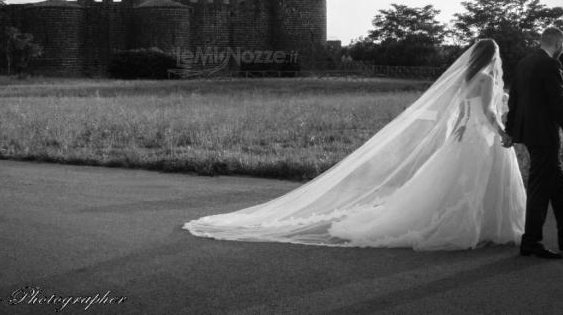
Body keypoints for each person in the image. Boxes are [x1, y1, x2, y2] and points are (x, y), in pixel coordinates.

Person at [183, 39, 526, 250]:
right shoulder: (483, 79)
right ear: (491, 58)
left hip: (464, 137)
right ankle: (476, 228)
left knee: (455, 185)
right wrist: (503, 133)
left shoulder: (467, 78)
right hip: (480, 138)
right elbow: (486, 113)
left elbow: (461, 113)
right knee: (470, 185)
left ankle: (473, 226)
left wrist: (465, 131)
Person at [504, 27, 563, 259]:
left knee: (557, 184)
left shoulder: (523, 63)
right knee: (539, 189)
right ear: (558, 42)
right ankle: (531, 242)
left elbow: (513, 101)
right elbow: (559, 105)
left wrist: (510, 131)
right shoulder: (551, 65)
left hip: (530, 135)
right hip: (545, 137)